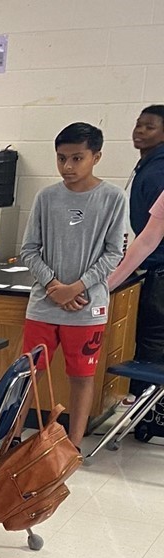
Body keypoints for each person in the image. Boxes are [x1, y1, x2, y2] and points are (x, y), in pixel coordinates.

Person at [19, 122, 128, 449]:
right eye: (61, 158)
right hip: (43, 306)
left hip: (86, 309)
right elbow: (28, 250)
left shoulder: (112, 198)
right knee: (28, 378)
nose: (68, 167)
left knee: (81, 377)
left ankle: (73, 445)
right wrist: (54, 286)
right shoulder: (46, 197)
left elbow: (114, 253)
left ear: (96, 156)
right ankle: (11, 439)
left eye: (77, 158)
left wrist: (77, 287)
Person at [123, 105, 164, 401]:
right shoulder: (148, 164)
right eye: (138, 124)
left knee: (153, 342)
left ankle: (148, 412)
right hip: (152, 262)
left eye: (149, 127)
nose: (139, 131)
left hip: (159, 269)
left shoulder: (159, 171)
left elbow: (154, 235)